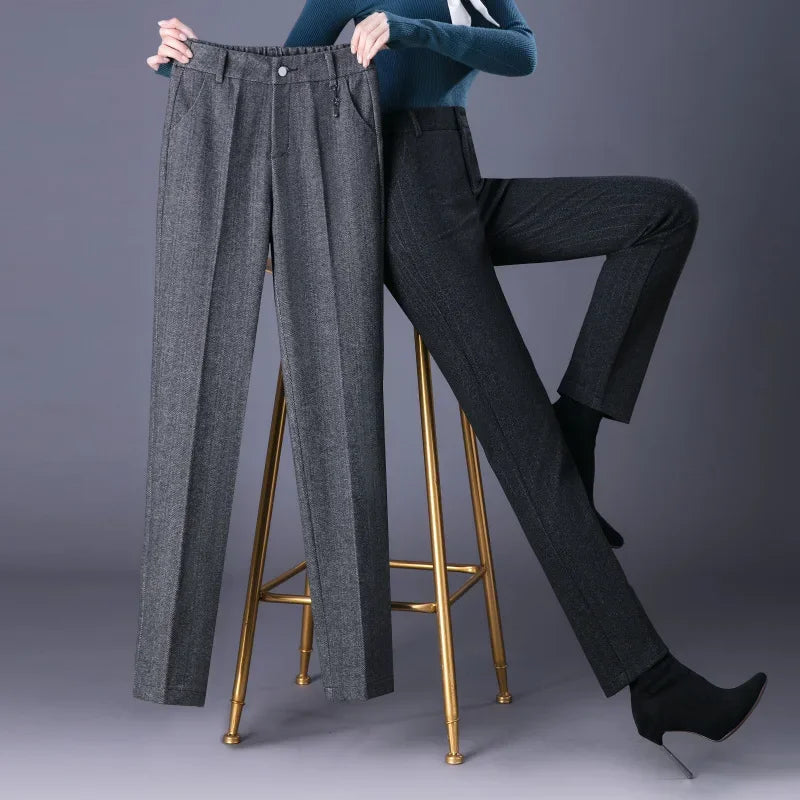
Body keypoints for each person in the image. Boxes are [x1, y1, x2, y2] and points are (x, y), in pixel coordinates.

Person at [146, 1, 767, 776]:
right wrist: (187, 67)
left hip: (459, 182)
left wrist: (413, 30)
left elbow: (521, 54)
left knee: (662, 213)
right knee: (531, 456)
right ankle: (656, 685)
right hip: (399, 205)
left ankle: (577, 425)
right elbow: (284, 86)